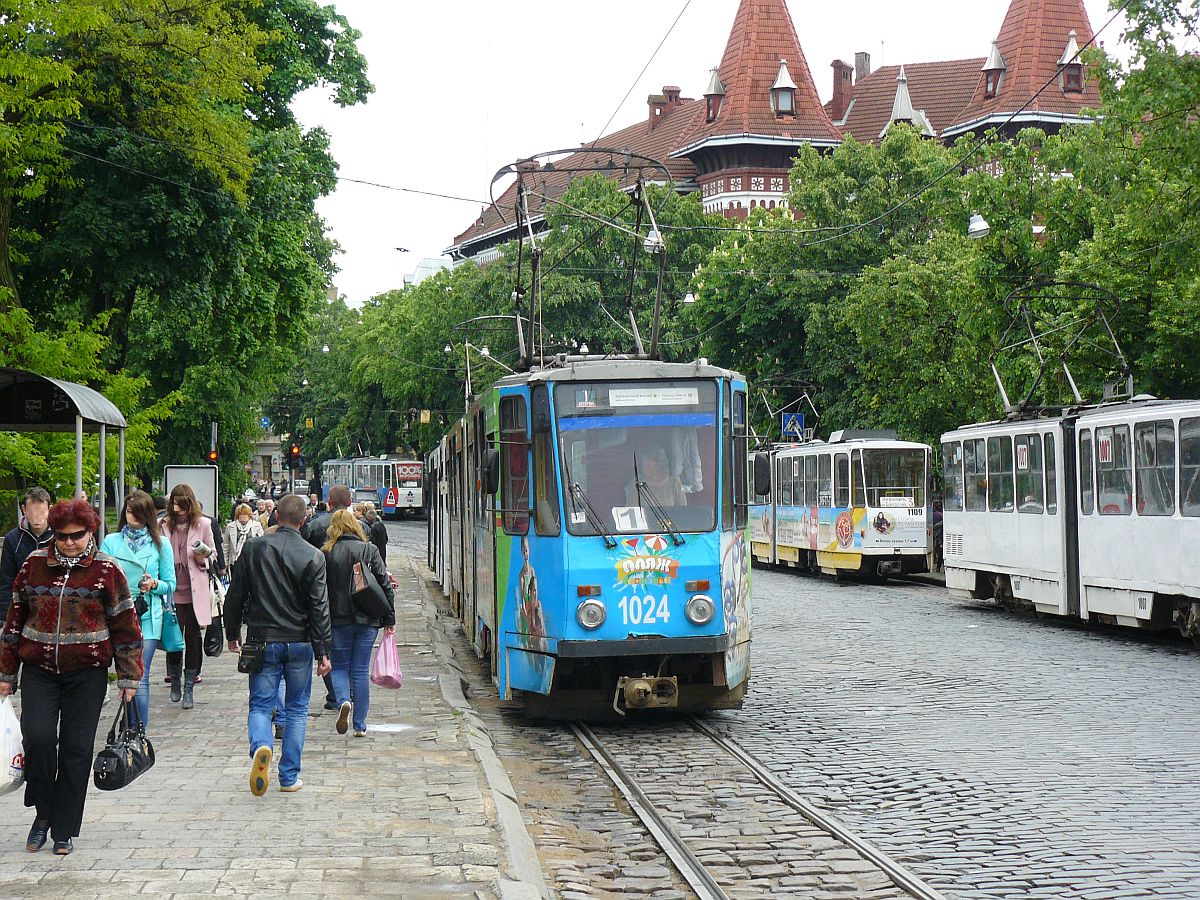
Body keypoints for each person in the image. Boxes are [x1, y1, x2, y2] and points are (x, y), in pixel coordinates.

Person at [0, 498, 142, 855]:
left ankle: (64, 829)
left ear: (90, 531)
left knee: (77, 751)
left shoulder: (107, 570)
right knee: (40, 739)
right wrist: (6, 671)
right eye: (62, 537)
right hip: (39, 669)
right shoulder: (33, 565)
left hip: (88, 673)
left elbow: (125, 624)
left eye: (76, 536)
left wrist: (129, 676)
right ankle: (43, 815)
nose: (68, 543)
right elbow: (14, 621)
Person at [225, 494, 331, 795]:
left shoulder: (255, 549)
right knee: (297, 710)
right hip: (299, 642)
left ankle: (261, 746)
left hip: (262, 639)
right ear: (304, 519)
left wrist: (232, 631)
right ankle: (289, 777)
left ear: (276, 517)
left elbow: (236, 594)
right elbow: (319, 608)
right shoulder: (313, 556)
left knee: (260, 704)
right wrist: (323, 651)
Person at [100, 491, 176, 727]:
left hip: (147, 614)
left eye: (138, 512)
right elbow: (102, 577)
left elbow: (171, 584)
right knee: (124, 674)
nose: (133, 516)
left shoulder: (161, 544)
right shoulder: (111, 542)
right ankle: (127, 724)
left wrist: (153, 584)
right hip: (116, 613)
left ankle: (137, 732)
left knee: (139, 675)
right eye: (129, 511)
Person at [322, 510, 394, 737]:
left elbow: (319, 590)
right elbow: (384, 584)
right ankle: (360, 725)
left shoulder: (326, 553)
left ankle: (344, 700)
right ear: (356, 526)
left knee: (340, 666)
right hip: (367, 618)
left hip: (337, 618)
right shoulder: (369, 550)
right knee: (360, 670)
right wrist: (389, 619)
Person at [160, 484, 215, 710]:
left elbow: (213, 553)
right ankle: (175, 680)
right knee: (173, 637)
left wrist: (203, 556)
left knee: (192, 637)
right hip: (171, 588)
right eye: (175, 505)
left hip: (194, 587)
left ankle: (190, 685)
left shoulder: (203, 524)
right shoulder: (162, 524)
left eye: (182, 505)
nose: (178, 509)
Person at [302, 485, 352, 708]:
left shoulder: (314, 526)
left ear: (328, 502)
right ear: (350, 503)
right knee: (352, 645)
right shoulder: (359, 527)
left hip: (320, 592)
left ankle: (335, 693)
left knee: (326, 643)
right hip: (351, 594)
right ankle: (349, 691)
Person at [0, 487, 54, 622]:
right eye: (32, 511)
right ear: (24, 510)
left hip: (54, 604)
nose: (37, 517)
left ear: (50, 509)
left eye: (41, 512)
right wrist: (5, 616)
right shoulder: (12, 539)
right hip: (22, 605)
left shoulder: (60, 537)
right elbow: (7, 579)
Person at [223, 503, 263, 572]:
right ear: (237, 516)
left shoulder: (257, 525)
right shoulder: (230, 526)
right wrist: (225, 563)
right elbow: (226, 546)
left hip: (251, 561)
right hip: (235, 561)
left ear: (249, 516)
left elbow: (261, 543)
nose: (243, 517)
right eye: (241, 515)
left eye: (245, 515)